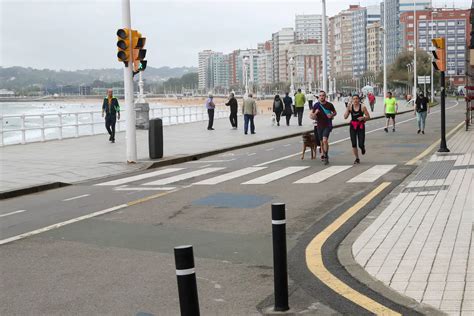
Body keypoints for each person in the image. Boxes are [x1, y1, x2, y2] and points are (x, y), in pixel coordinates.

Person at [344, 94, 370, 164]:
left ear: (359, 99)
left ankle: (362, 148)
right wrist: (347, 108)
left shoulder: (362, 107)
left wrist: (363, 118)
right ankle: (357, 158)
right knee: (354, 144)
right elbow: (345, 117)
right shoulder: (350, 107)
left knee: (360, 144)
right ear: (352, 100)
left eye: (356, 99)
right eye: (354, 99)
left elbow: (368, 116)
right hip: (353, 126)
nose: (355, 100)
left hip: (360, 126)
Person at [313, 90, 337, 165]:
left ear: (325, 97)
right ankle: (323, 153)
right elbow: (312, 116)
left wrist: (332, 115)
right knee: (321, 142)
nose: (321, 97)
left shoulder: (329, 105)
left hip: (328, 125)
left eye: (323, 95)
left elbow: (335, 112)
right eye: (320, 96)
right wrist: (315, 113)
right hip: (319, 125)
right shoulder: (316, 105)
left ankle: (326, 155)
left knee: (324, 140)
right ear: (318, 97)